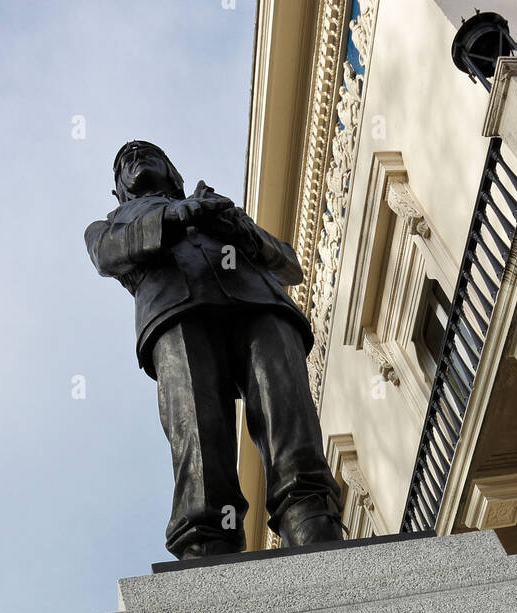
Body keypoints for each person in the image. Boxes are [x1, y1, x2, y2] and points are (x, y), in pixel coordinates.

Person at [85, 140, 344, 557]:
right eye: (124, 163)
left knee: (289, 415)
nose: (135, 157)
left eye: (148, 154)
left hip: (260, 305)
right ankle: (207, 544)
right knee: (200, 436)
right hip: (178, 315)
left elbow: (289, 265)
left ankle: (312, 522)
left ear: (175, 175)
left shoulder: (215, 211)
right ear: (119, 192)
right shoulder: (109, 225)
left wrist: (239, 229)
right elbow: (109, 255)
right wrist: (177, 216)